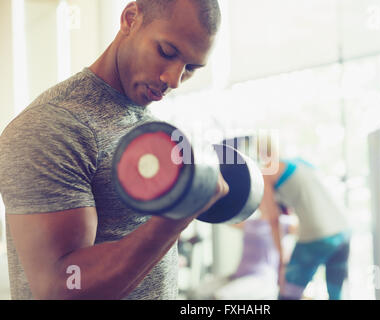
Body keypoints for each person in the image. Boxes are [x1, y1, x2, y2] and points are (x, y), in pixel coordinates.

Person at [0, 0, 228, 300]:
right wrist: (177, 216)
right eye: (167, 52)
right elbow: (60, 287)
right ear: (130, 18)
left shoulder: (147, 123)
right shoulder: (54, 125)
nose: (174, 79)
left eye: (191, 68)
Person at [256, 136, 351, 300]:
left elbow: (272, 218)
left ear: (259, 152)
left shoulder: (267, 172)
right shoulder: (301, 162)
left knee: (288, 295)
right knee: (335, 294)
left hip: (318, 235)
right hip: (343, 230)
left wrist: (281, 260)